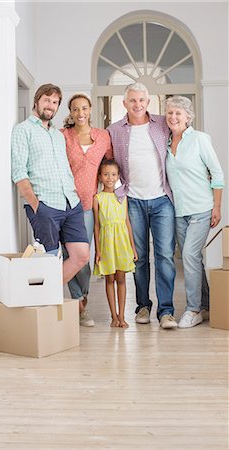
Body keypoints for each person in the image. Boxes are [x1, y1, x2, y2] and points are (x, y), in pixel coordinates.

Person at [107, 82, 177, 329]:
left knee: (165, 256)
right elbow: (106, 164)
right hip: (132, 201)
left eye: (141, 100)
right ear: (125, 103)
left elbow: (182, 143)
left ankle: (166, 311)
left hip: (162, 200)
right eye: (132, 100)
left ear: (149, 102)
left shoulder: (162, 124)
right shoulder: (114, 130)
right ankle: (143, 306)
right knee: (139, 258)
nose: (137, 105)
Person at [11, 83, 90, 286]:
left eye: (55, 102)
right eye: (47, 100)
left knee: (81, 255)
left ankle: (47, 293)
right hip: (45, 205)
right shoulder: (23, 130)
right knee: (49, 258)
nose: (51, 106)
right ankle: (45, 305)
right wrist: (37, 205)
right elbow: (19, 171)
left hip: (70, 203)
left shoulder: (58, 135)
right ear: (36, 101)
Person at [165, 95, 224, 328]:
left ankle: (193, 309)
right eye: (170, 112)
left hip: (201, 209)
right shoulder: (166, 142)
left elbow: (217, 174)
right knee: (193, 259)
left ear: (188, 117)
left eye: (178, 113)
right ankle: (207, 304)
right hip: (179, 211)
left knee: (189, 255)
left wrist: (217, 206)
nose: (173, 117)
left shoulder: (199, 139)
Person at [61, 92, 113, 326]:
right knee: (69, 255)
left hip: (87, 204)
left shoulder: (103, 137)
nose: (80, 113)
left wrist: (111, 192)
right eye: (75, 109)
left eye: (84, 108)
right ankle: (77, 305)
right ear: (70, 113)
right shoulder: (62, 136)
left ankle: (83, 298)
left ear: (90, 110)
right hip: (63, 203)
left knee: (83, 256)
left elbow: (110, 165)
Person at [93, 159, 138, 328]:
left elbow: (127, 223)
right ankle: (113, 316)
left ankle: (122, 315)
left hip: (122, 244)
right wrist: (97, 250)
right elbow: (96, 226)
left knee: (121, 280)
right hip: (106, 245)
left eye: (113, 174)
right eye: (106, 174)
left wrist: (133, 248)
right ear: (100, 177)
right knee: (109, 280)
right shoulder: (97, 199)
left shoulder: (122, 197)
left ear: (118, 176)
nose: (109, 178)